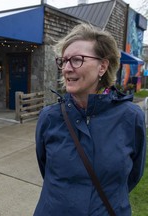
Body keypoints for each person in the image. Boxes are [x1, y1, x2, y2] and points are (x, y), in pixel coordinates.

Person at [34, 23, 146, 216]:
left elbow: (133, 175)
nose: (67, 68)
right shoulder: (49, 117)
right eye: (64, 61)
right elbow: (46, 170)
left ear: (102, 66)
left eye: (77, 60)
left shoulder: (130, 117)